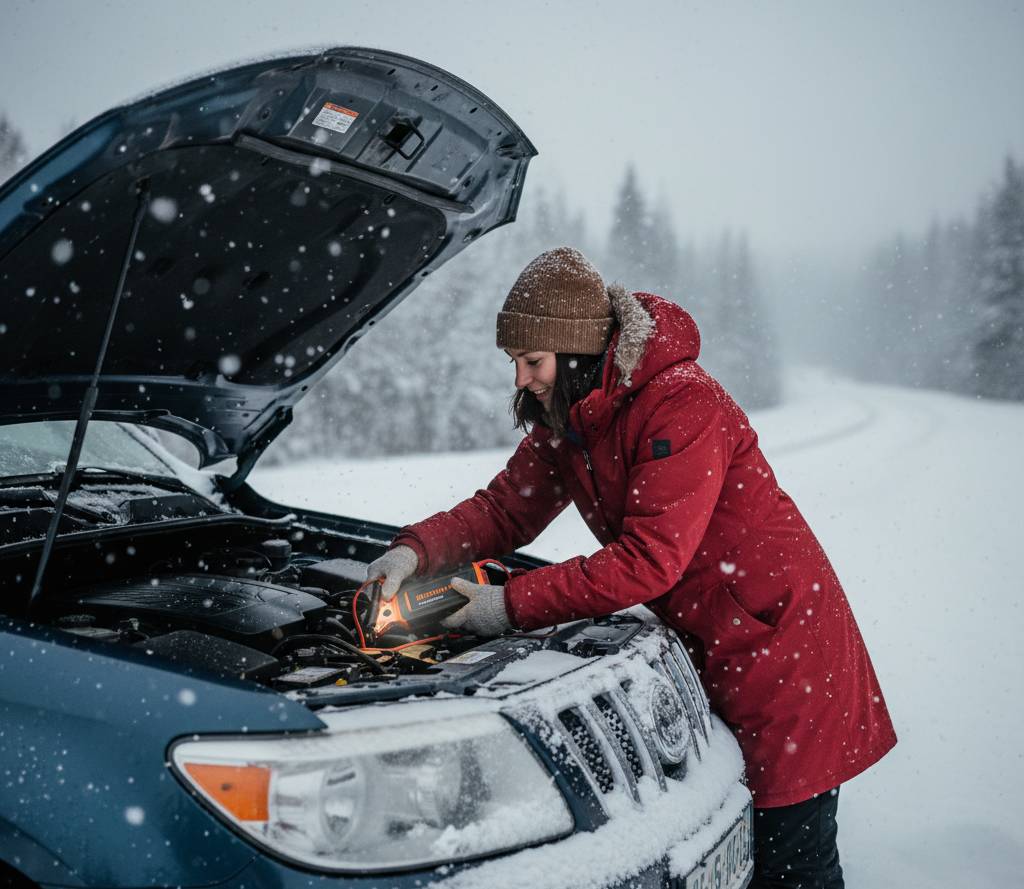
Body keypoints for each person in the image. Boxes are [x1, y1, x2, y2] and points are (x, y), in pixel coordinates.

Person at [367, 246, 896, 888]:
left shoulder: (682, 403)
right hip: (713, 647)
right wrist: (412, 550)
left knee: (793, 865)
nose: (520, 380)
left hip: (780, 647)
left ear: (575, 350)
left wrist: (504, 607)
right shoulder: (571, 422)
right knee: (735, 856)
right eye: (513, 363)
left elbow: (649, 562)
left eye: (530, 362)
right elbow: (504, 510)